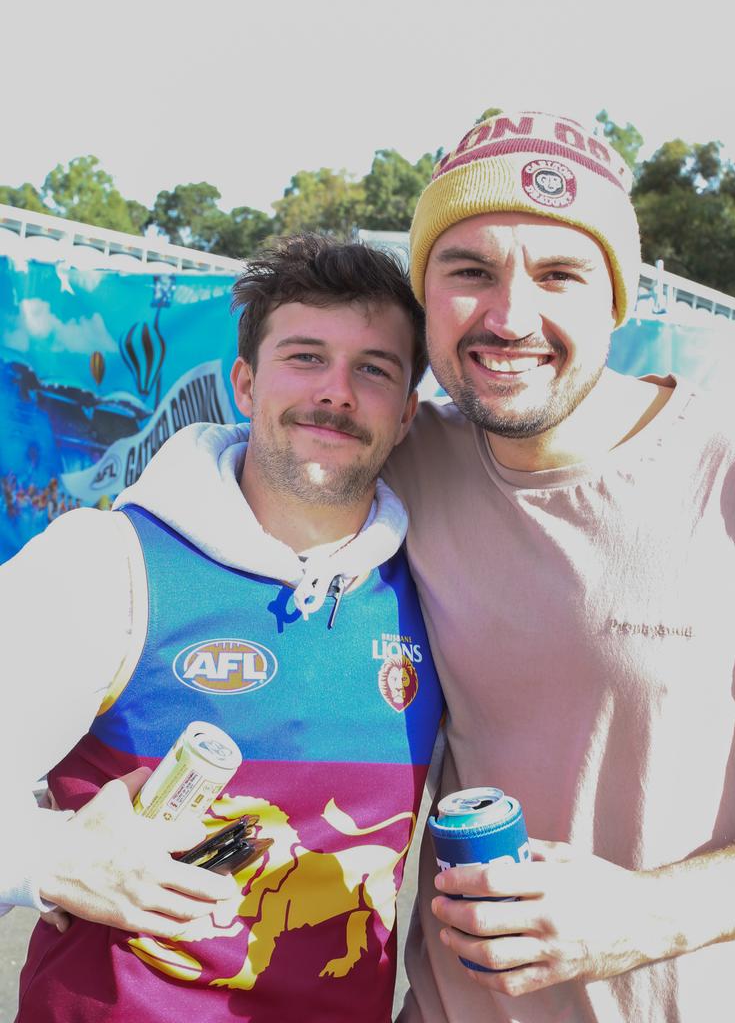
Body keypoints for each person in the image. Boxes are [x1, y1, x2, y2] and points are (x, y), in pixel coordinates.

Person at [383, 110, 735, 1022]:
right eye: (470, 271)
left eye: (560, 274)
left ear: (616, 301)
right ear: (424, 295)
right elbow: (233, 466)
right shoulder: (403, 460)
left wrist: (645, 914)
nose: (511, 316)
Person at [1, 234, 443, 1023]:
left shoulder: (437, 595)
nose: (336, 392)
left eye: (373, 369)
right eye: (304, 357)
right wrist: (51, 856)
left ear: (409, 412)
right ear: (244, 383)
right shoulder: (112, 563)